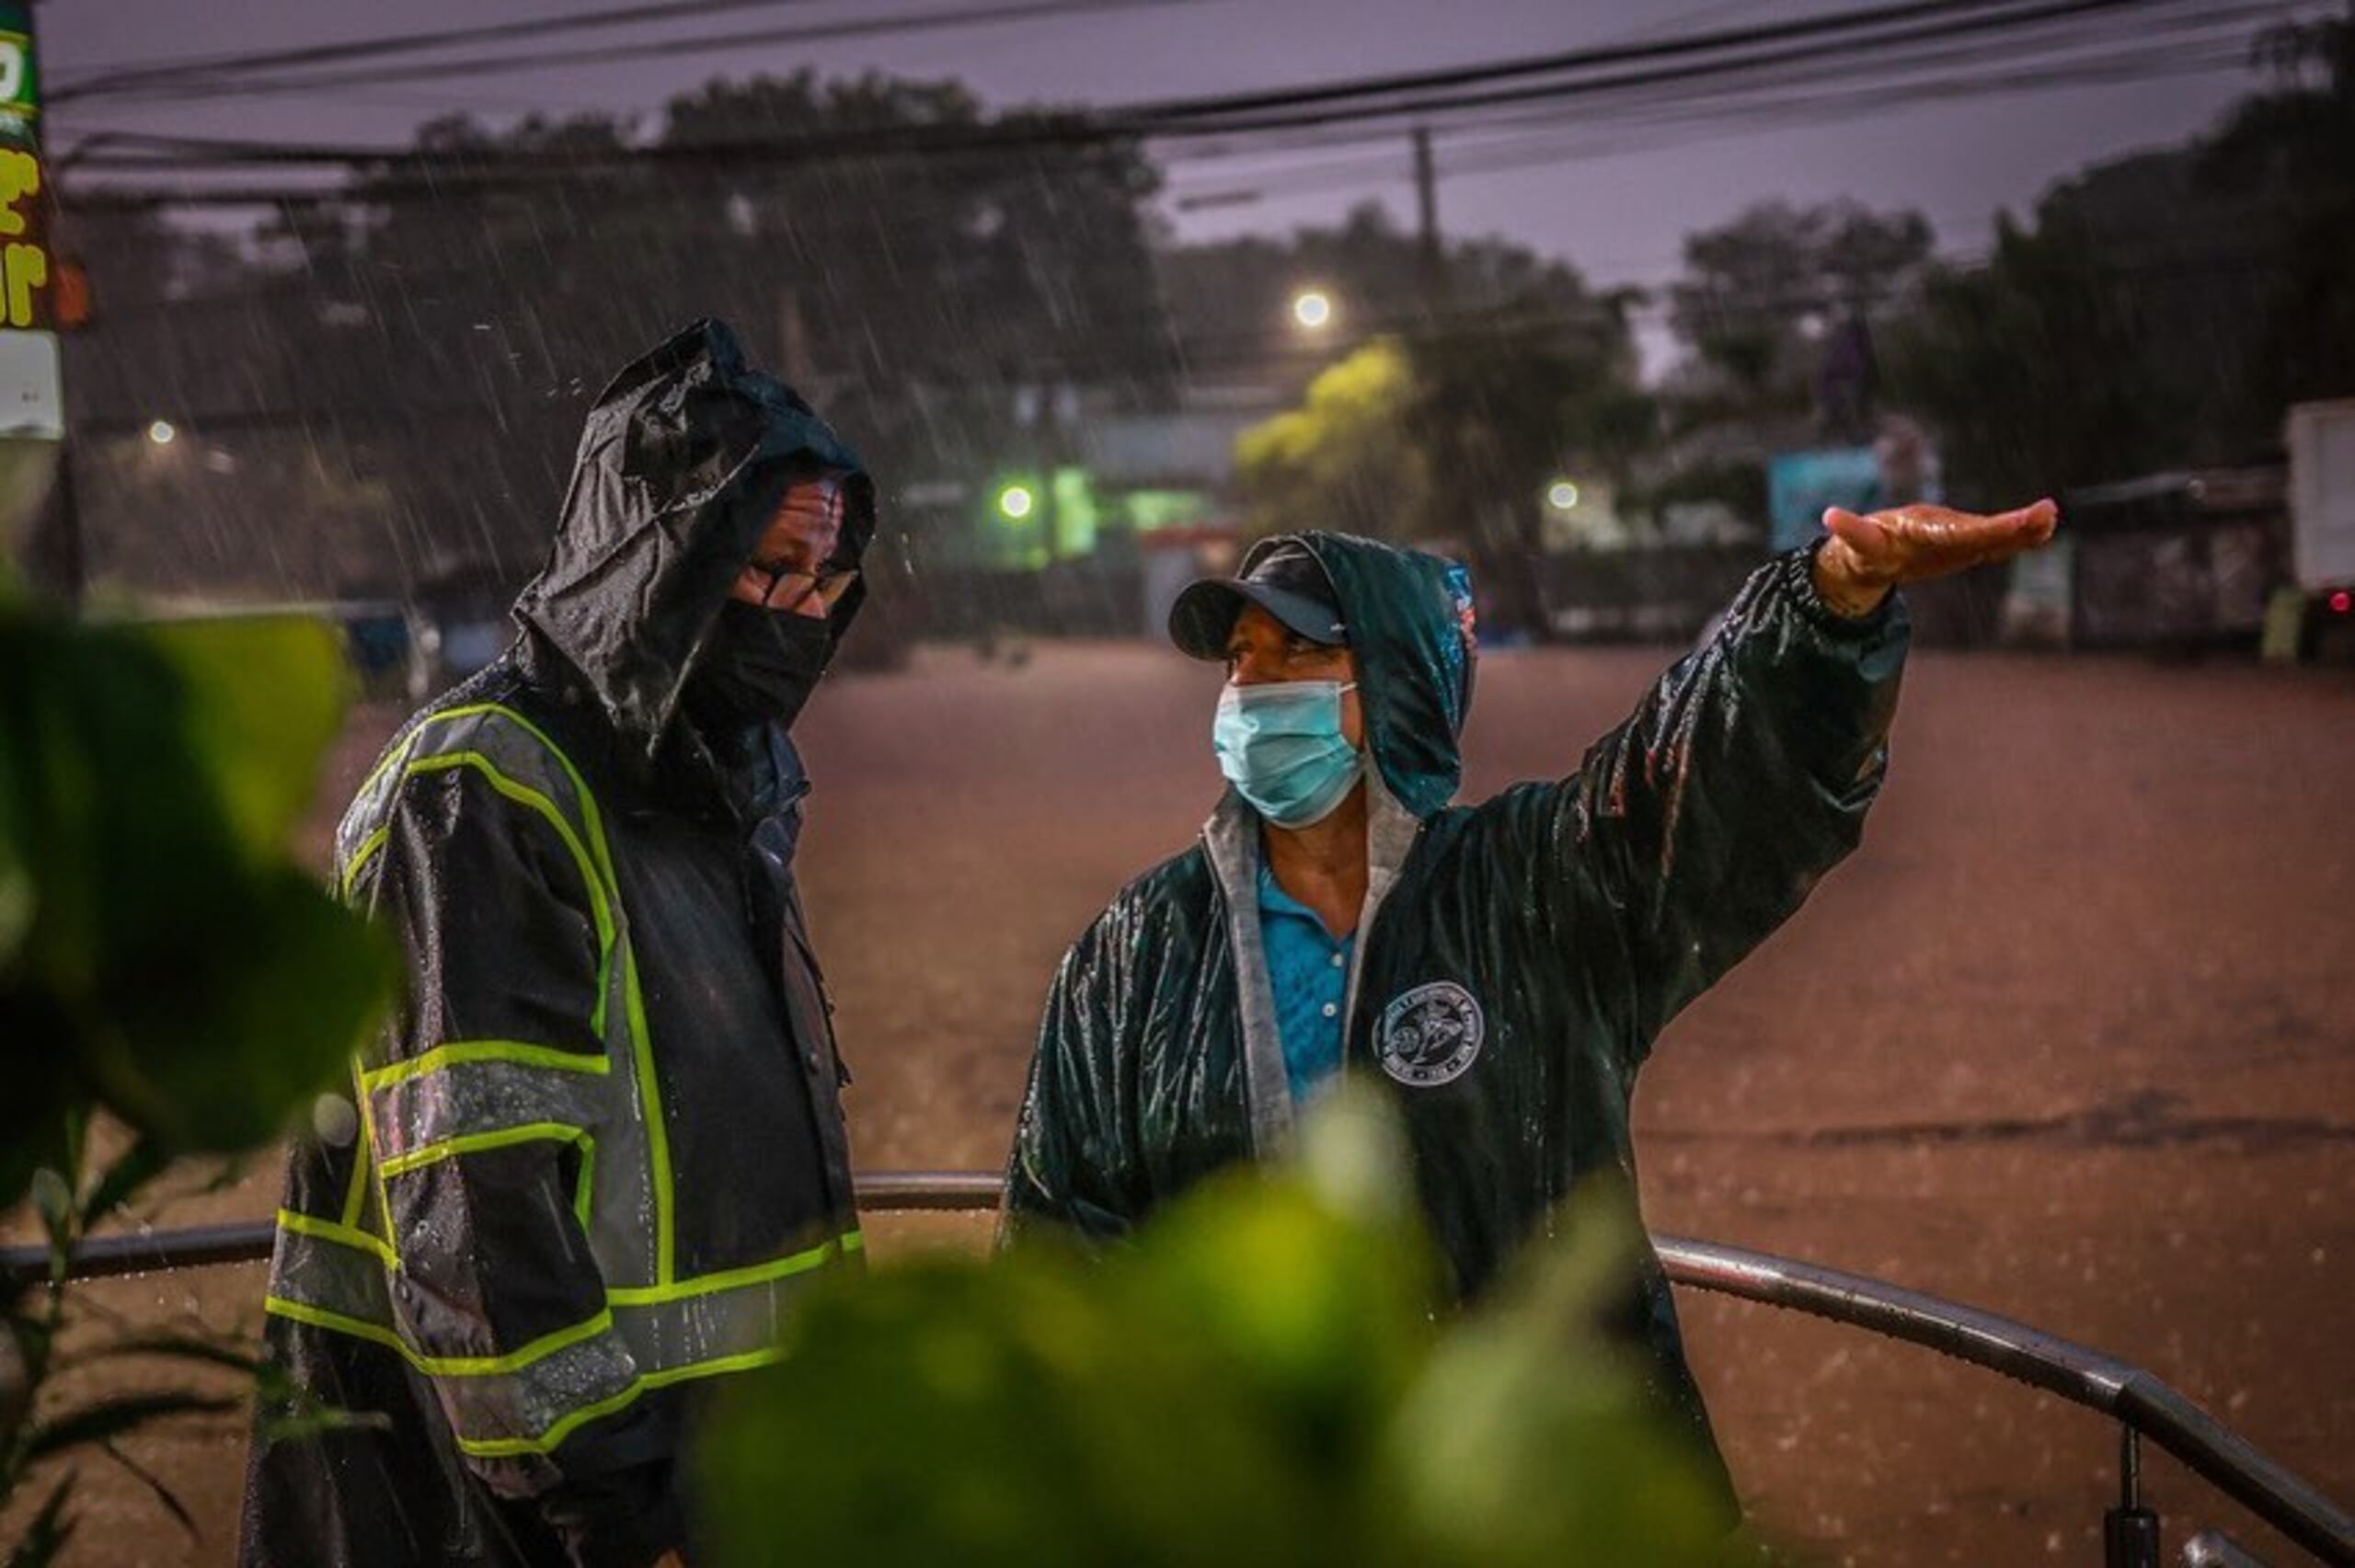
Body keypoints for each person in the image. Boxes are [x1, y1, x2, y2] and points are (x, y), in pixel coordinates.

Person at [1002, 502, 2057, 1513]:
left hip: (1541, 1504)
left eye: (1301, 654)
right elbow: (1060, 1244)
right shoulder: (1136, 949)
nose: (1253, 689)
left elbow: (1700, 785)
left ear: (1402, 681)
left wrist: (1829, 606)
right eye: (1240, 658)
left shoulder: (1530, 889)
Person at [242, 320, 875, 1568]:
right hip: (504, 1515)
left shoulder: (716, 783)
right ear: (655, 567)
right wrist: (613, 1510)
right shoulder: (479, 795)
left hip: (707, 1483)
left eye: (822, 584)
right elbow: (479, 1217)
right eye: (759, 577)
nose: (796, 618)